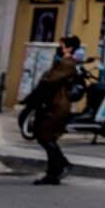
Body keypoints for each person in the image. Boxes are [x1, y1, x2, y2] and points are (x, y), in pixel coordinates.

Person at [28, 36, 83, 185]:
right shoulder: (64, 62)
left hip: (58, 105)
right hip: (55, 103)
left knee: (44, 135)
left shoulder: (67, 63)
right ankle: (53, 173)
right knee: (46, 136)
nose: (59, 47)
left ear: (69, 48)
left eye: (62, 45)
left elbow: (49, 79)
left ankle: (62, 164)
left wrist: (51, 68)